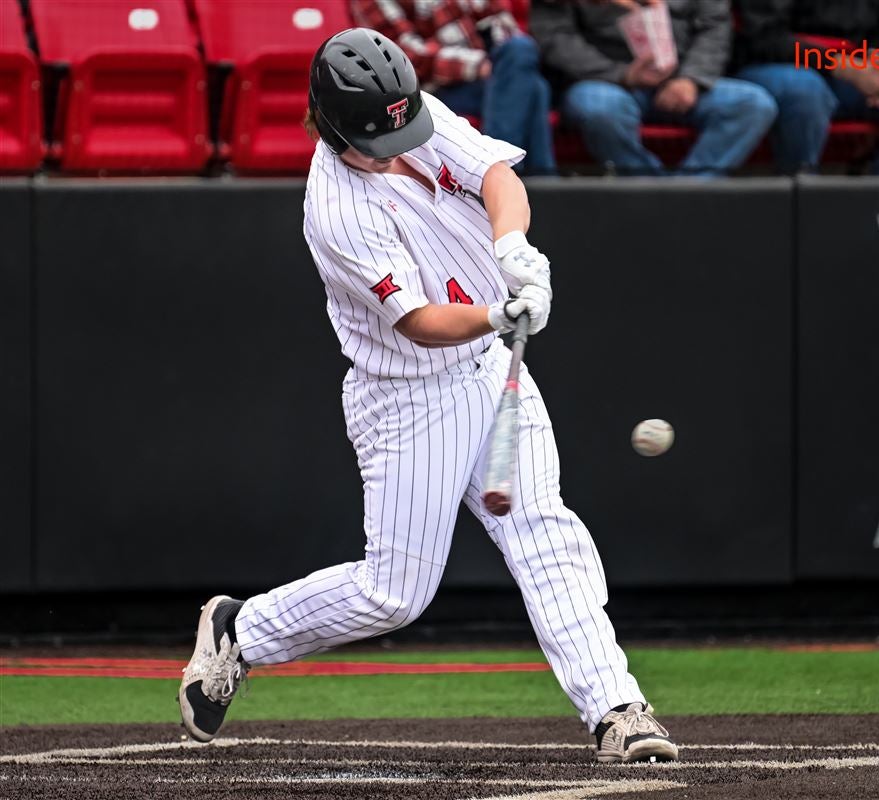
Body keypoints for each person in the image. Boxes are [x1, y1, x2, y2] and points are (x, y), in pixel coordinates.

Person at [178, 28, 677, 765]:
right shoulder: (337, 210)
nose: (398, 140)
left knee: (543, 532)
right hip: (410, 395)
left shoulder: (410, 112)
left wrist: (513, 250)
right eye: (379, 133)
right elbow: (418, 322)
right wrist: (496, 312)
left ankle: (617, 711)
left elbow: (496, 179)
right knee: (395, 596)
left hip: (490, 365)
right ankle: (242, 631)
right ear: (336, 124)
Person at [530, 0, 777, 176]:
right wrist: (622, 75)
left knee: (753, 104)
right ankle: (651, 189)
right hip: (607, 82)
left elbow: (715, 26)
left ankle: (688, 194)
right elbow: (555, 37)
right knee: (600, 108)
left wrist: (692, 79)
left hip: (683, 80)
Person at [735, 0, 879, 174]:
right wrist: (841, 65)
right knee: (804, 91)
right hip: (785, 63)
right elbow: (764, 37)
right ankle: (803, 205)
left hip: (868, 67)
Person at [351, 0, 557, 175]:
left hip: (491, 77)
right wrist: (478, 65)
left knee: (521, 57)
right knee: (532, 86)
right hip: (427, 93)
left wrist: (498, 62)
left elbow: (504, 27)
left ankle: (498, 171)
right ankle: (528, 178)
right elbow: (402, 58)